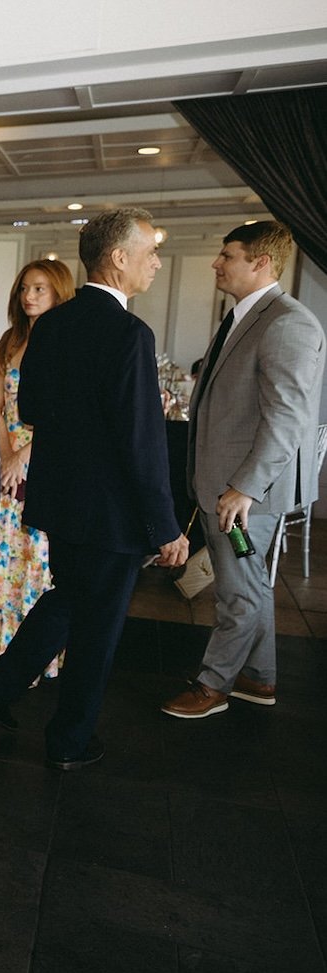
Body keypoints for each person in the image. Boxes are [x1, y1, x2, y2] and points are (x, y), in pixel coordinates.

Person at [0, 208, 189, 765]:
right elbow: (142, 442)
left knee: (70, 598)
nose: (156, 262)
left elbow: (35, 409)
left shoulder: (52, 325)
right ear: (119, 258)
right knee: (97, 629)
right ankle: (69, 742)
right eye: (149, 252)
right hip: (112, 512)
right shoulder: (128, 333)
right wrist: (165, 526)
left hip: (61, 500)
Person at [161, 221, 326, 718]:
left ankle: (214, 685)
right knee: (250, 585)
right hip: (227, 486)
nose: (216, 262)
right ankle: (259, 678)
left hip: (245, 494)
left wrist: (244, 488)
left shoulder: (288, 322)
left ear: (260, 263)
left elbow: (287, 419)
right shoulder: (244, 317)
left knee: (237, 592)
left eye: (227, 255)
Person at [0, 259, 75, 673]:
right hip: (5, 468)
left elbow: (69, 414)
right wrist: (6, 457)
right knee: (1, 557)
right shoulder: (7, 344)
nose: (29, 296)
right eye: (24, 288)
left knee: (38, 560)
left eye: (39, 289)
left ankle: (32, 658)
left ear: (58, 292)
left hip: (48, 462)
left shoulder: (68, 343)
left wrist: (25, 456)